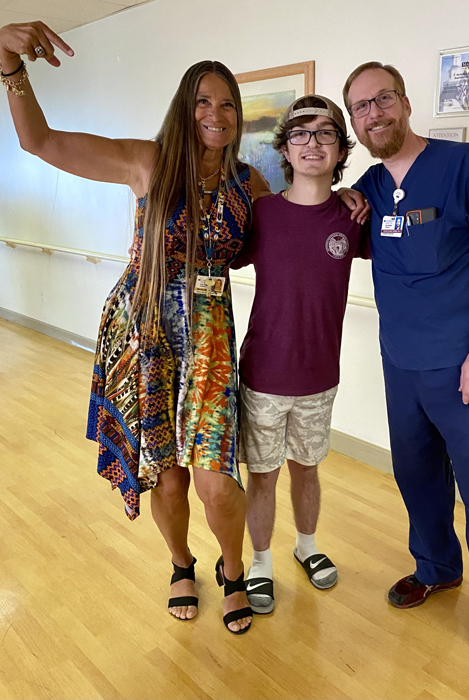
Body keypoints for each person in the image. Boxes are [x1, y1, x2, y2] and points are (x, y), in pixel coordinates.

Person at [0, 20, 274, 635]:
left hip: (209, 344)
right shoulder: (148, 162)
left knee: (217, 485)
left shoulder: (248, 185)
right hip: (146, 333)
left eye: (227, 103)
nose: (216, 112)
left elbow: (293, 232)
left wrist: (351, 204)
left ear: (237, 117)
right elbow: (40, 141)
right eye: (203, 100)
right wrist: (9, 68)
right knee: (168, 479)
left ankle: (234, 570)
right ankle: (181, 563)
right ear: (185, 108)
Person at [343, 61, 469, 695]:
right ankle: (435, 568)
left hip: (466, 369)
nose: (373, 114)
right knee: (418, 478)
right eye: (360, 108)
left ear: (403, 101)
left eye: (382, 100)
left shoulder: (462, 167)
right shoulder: (370, 187)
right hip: (402, 366)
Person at [231, 95, 370, 613]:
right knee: (263, 473)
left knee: (307, 468)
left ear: (340, 148)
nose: (312, 144)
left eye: (325, 134)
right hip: (264, 373)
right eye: (301, 134)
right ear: (285, 149)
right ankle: (262, 559)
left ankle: (306, 546)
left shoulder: (354, 215)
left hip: (319, 376)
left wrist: (359, 195)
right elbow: (220, 255)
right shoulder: (263, 213)